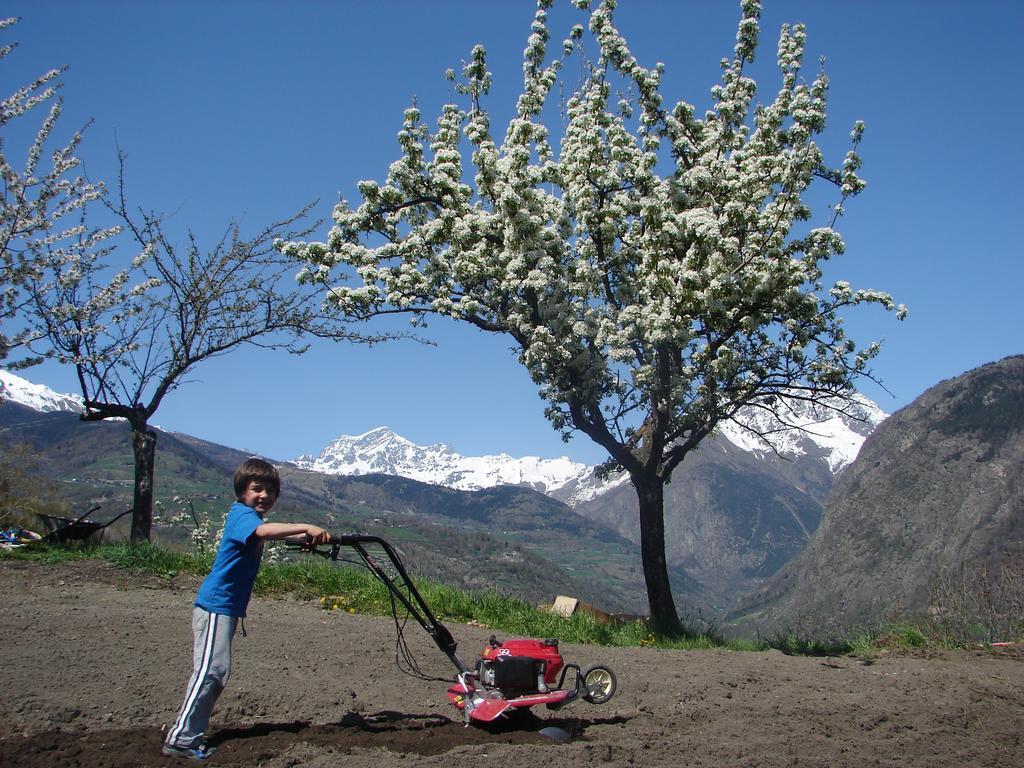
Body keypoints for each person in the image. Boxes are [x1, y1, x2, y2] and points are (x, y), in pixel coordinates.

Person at [162, 457, 330, 760]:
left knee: (217, 671)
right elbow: (263, 533)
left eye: (270, 490)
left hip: (225, 608)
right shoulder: (242, 515)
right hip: (217, 606)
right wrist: (306, 526)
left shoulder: (250, 519)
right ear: (242, 491)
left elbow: (266, 532)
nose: (264, 495)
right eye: (257, 489)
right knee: (210, 672)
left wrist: (306, 537)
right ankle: (181, 738)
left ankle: (187, 735)